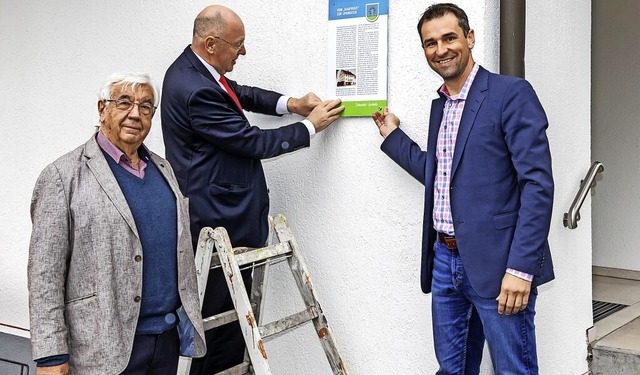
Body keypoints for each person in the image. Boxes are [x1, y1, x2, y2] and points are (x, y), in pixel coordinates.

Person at [371, 3, 554, 374]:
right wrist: (393, 135)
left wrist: (521, 268)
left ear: (470, 38)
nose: (440, 49)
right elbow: (441, 175)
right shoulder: (442, 105)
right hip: (444, 260)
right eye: (430, 43)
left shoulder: (510, 93)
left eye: (449, 37)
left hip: (500, 264)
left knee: (513, 370)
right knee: (452, 370)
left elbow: (537, 184)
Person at [161, 4, 344, 373]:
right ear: (211, 44)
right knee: (221, 329)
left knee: (229, 323)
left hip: (224, 220)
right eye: (238, 45)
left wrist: (290, 103)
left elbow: (238, 92)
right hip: (216, 224)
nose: (243, 52)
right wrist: (309, 126)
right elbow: (252, 142)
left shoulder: (196, 69)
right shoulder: (195, 89)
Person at [27, 72, 206, 375]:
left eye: (146, 106)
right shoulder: (63, 176)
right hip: (101, 347)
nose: (135, 114)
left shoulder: (162, 169)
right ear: (102, 109)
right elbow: (45, 274)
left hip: (165, 341)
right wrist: (50, 355)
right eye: (124, 102)